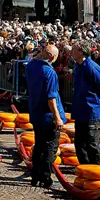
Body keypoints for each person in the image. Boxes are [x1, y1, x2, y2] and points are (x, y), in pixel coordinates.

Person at [25, 45, 66, 188]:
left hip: (35, 112)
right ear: (53, 58)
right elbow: (51, 98)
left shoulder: (30, 67)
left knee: (39, 145)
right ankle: (46, 177)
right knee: (50, 147)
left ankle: (35, 175)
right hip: (48, 115)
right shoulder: (50, 72)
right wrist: (58, 117)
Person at [70, 40, 100, 166]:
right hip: (80, 110)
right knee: (79, 143)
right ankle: (86, 170)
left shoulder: (93, 68)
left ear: (81, 52)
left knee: (92, 143)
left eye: (74, 49)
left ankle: (99, 173)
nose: (71, 52)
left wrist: (94, 105)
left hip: (91, 111)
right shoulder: (77, 66)